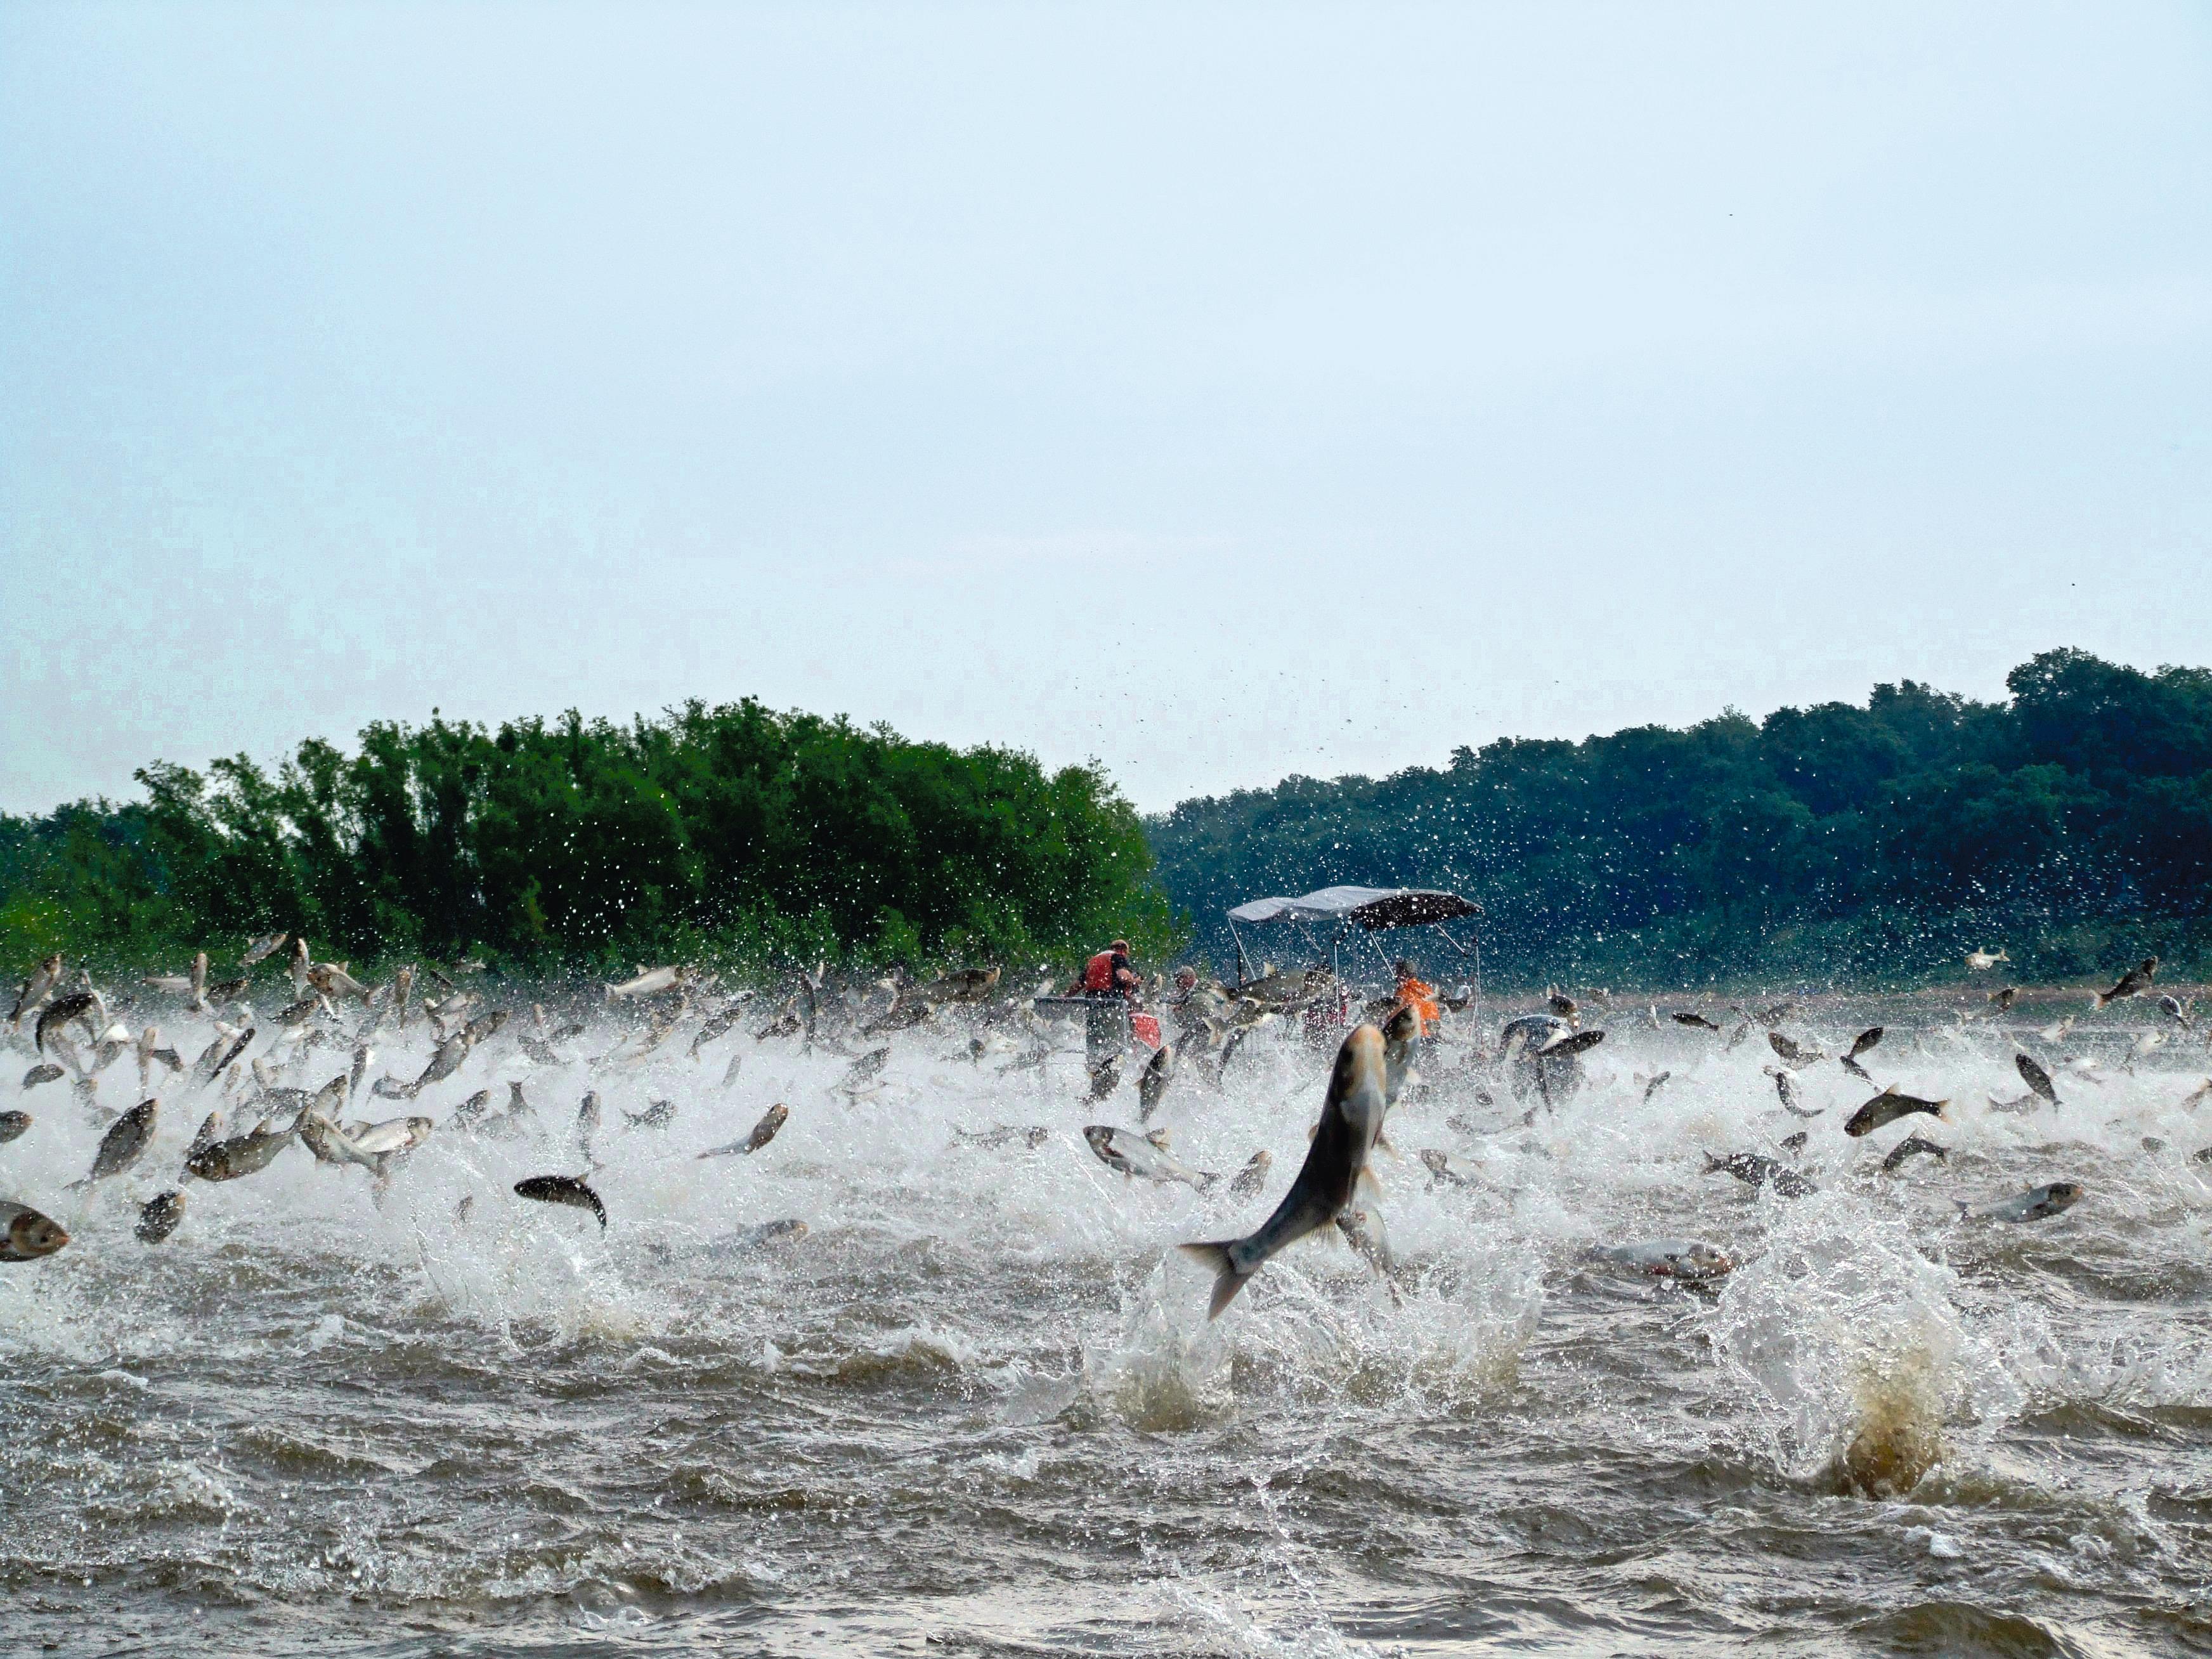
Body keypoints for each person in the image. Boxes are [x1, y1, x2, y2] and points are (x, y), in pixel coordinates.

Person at [1389, 958, 1440, 1038]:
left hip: (1417, 1037)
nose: (1396, 976)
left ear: (1402, 975)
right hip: (1433, 1035)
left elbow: (1394, 1018)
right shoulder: (1425, 988)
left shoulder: (1403, 993)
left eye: (1397, 973)